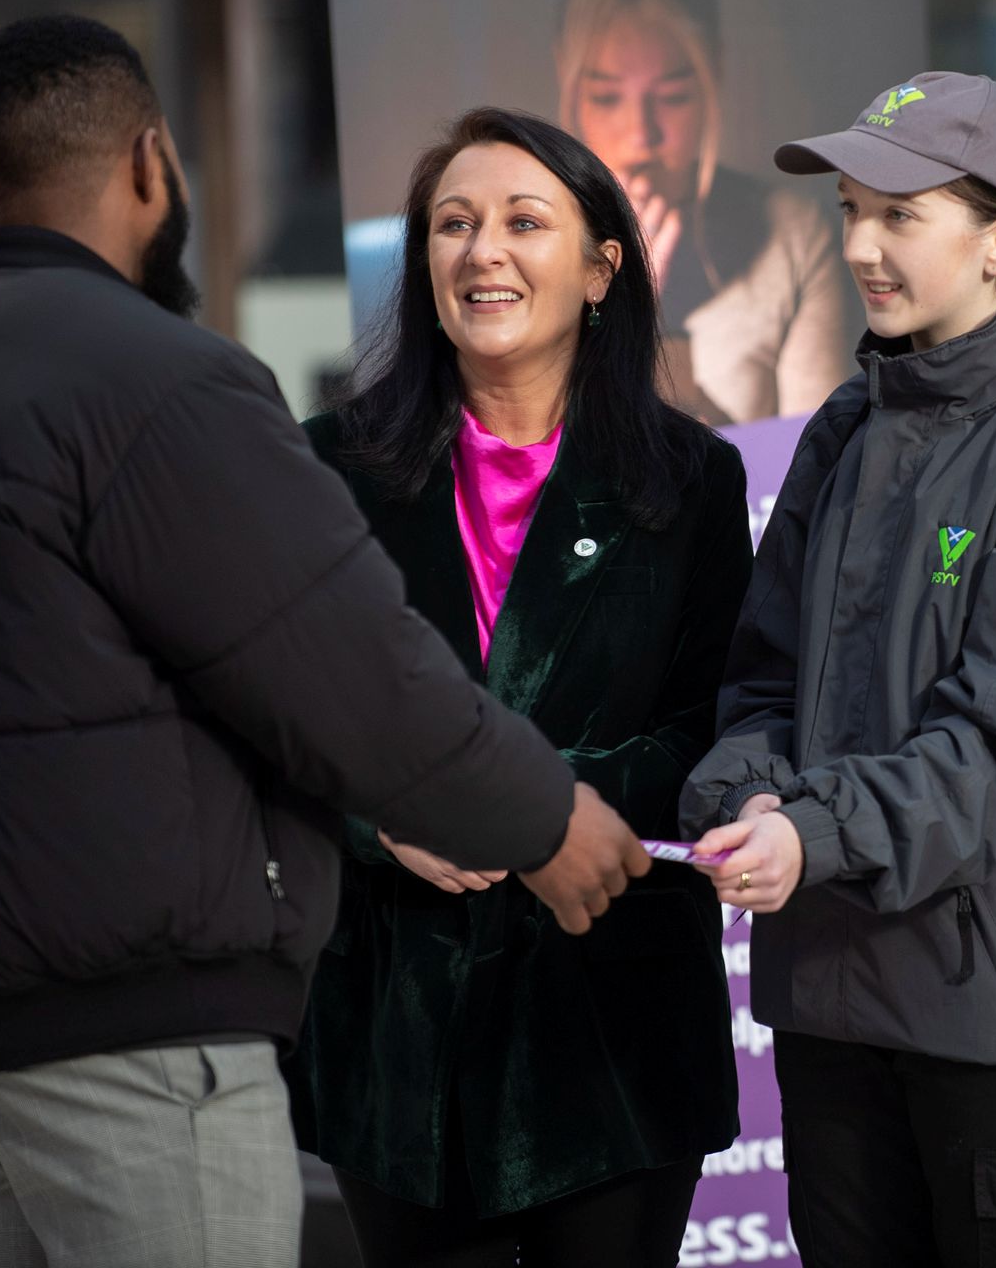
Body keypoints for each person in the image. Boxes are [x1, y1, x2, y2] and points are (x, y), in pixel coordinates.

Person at [0, 16, 650, 1268]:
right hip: (143, 1039)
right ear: (152, 164)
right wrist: (546, 819)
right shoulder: (158, 381)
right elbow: (349, 674)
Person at [681, 72, 996, 1268]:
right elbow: (761, 679)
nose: (860, 246)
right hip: (832, 1007)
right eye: (850, 210)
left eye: (900, 214)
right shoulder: (843, 426)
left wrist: (815, 831)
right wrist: (744, 794)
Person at [286, 107, 750, 1265]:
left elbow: (719, 728)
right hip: (395, 1034)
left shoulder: (692, 479)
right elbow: (274, 722)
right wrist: (391, 820)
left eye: (521, 222)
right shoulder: (324, 467)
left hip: (610, 1034)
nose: (481, 250)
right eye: (452, 224)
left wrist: (520, 809)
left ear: (600, 269)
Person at [555, 0, 858, 424]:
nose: (641, 135)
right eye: (606, 98)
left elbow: (813, 467)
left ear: (712, 74)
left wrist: (663, 346)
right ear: (567, 81)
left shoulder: (793, 235)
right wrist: (620, 317)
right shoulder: (528, 242)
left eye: (673, 97)